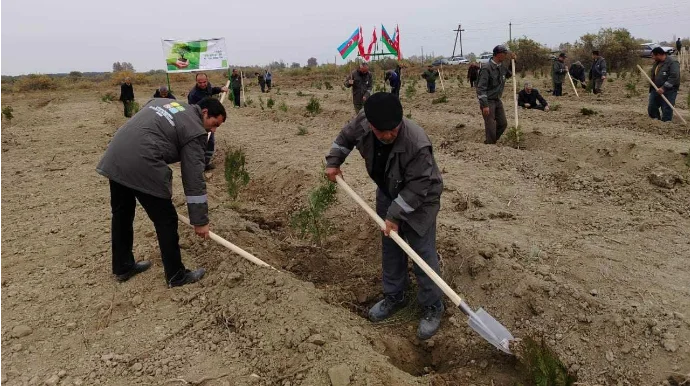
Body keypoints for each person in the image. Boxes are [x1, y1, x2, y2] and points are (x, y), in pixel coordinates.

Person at [325, 92, 445, 340]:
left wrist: (394, 216)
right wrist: (334, 162)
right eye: (383, 132)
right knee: (391, 246)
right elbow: (344, 139)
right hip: (389, 189)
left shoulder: (416, 143)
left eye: (394, 129)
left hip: (420, 199)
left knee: (422, 251)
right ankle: (395, 295)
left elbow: (419, 186)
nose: (389, 135)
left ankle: (432, 306)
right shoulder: (362, 121)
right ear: (370, 125)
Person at [96, 97, 227, 288]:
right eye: (214, 124)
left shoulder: (165, 102)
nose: (213, 130)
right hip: (143, 161)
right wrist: (200, 221)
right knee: (166, 219)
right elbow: (193, 179)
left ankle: (123, 267)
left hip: (116, 155)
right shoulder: (195, 130)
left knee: (122, 214)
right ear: (205, 112)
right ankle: (176, 275)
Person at [187, 73, 228, 171]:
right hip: (200, 122)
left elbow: (212, 90)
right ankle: (196, 165)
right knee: (200, 143)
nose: (202, 84)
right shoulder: (193, 94)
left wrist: (221, 89)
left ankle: (205, 163)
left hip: (209, 119)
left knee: (210, 142)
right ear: (196, 82)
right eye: (200, 82)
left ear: (207, 80)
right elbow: (193, 111)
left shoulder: (208, 86)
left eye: (204, 82)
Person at [477, 45, 514, 144]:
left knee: (503, 123)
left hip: (497, 99)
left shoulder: (501, 66)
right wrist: (485, 105)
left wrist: (512, 61)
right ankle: (490, 145)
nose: (506, 55)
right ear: (498, 54)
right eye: (504, 53)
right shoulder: (486, 68)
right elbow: (481, 88)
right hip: (488, 100)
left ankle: (492, 141)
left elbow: (509, 74)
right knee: (491, 125)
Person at [648, 46, 681, 122]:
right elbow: (654, 75)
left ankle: (666, 125)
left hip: (669, 90)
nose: (652, 58)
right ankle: (655, 122)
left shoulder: (672, 62)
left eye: (653, 56)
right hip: (656, 89)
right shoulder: (657, 63)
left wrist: (664, 88)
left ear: (659, 55)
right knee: (652, 106)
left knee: (666, 108)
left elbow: (674, 77)